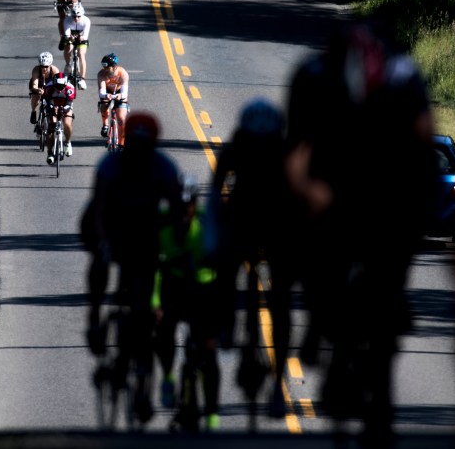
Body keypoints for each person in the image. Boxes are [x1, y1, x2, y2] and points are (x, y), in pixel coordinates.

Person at [285, 18, 440, 447]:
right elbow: (294, 158)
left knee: (390, 269)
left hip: (388, 188)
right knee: (309, 241)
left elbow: (424, 155)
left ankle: (384, 333)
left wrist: (417, 216)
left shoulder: (405, 81)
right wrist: (308, 193)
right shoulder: (312, 79)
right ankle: (320, 319)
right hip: (331, 185)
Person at [83, 112, 184, 427]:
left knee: (147, 305)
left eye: (145, 145)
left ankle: (144, 382)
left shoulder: (165, 169)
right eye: (134, 145)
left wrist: (173, 250)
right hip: (111, 223)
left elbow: (180, 215)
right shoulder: (110, 166)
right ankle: (95, 318)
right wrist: (104, 243)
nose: (139, 151)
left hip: (148, 232)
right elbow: (98, 211)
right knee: (99, 258)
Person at [207, 97, 299, 419]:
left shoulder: (283, 151)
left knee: (280, 300)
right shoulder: (239, 149)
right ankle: (229, 325)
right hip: (247, 223)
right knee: (227, 267)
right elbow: (214, 199)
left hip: (273, 227)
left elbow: (300, 200)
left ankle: (276, 384)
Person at [152, 173, 222, 432]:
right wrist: (155, 303)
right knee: (163, 331)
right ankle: (169, 377)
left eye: (187, 206)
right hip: (174, 285)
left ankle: (213, 415)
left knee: (208, 351)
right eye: (177, 206)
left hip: (203, 290)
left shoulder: (206, 224)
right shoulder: (162, 224)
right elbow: (154, 267)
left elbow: (223, 265)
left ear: (194, 204)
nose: (183, 212)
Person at [41, 72, 76, 164]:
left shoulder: (70, 88)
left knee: (67, 123)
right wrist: (53, 108)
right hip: (53, 103)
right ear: (53, 83)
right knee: (51, 125)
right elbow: (49, 102)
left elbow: (69, 103)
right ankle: (49, 153)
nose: (60, 89)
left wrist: (63, 110)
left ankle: (68, 143)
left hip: (65, 103)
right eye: (57, 86)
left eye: (62, 87)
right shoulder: (48, 88)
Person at [96, 53, 130, 146]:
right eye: (104, 68)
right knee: (104, 105)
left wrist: (120, 96)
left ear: (114, 67)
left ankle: (122, 144)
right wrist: (106, 95)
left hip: (120, 92)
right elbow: (102, 92)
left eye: (107, 68)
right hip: (107, 91)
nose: (105, 70)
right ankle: (105, 125)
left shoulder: (123, 73)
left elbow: (125, 92)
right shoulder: (101, 74)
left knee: (121, 119)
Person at [61, 2, 90, 90]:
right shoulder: (67, 20)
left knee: (81, 54)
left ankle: (82, 79)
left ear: (82, 15)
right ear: (71, 15)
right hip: (71, 37)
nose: (76, 18)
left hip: (82, 39)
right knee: (68, 48)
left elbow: (85, 35)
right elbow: (66, 34)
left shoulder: (86, 20)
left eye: (78, 16)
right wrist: (69, 37)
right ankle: (67, 65)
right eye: (74, 16)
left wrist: (81, 37)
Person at [29, 51, 60, 125]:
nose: (44, 69)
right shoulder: (36, 70)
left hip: (51, 86)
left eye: (46, 66)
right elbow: (34, 84)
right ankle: (33, 111)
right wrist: (37, 90)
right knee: (36, 96)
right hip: (39, 85)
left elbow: (59, 85)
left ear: (50, 65)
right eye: (42, 66)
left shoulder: (54, 70)